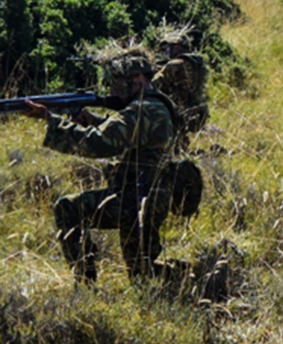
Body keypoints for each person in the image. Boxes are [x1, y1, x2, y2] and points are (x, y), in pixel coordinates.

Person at [21, 48, 178, 284]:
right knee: (142, 275)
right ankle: (192, 279)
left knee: (68, 207)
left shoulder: (143, 109)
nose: (113, 90)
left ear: (137, 79)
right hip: (148, 195)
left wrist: (50, 120)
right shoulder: (154, 106)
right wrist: (94, 121)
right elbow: (130, 134)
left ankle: (85, 283)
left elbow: (98, 144)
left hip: (137, 198)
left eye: (117, 83)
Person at [152, 25, 209, 150]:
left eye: (165, 49)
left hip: (177, 112)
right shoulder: (198, 64)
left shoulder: (174, 65)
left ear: (176, 46)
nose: (164, 53)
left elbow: (153, 85)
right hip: (196, 110)